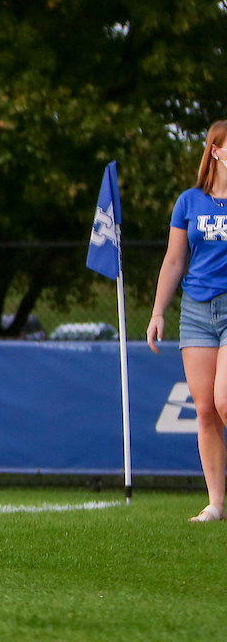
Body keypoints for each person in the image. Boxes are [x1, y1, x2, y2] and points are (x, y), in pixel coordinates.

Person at [147, 119, 227, 522]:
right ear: (216, 151)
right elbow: (175, 260)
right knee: (205, 409)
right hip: (195, 310)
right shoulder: (188, 201)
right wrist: (159, 311)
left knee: (225, 399)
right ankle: (216, 504)